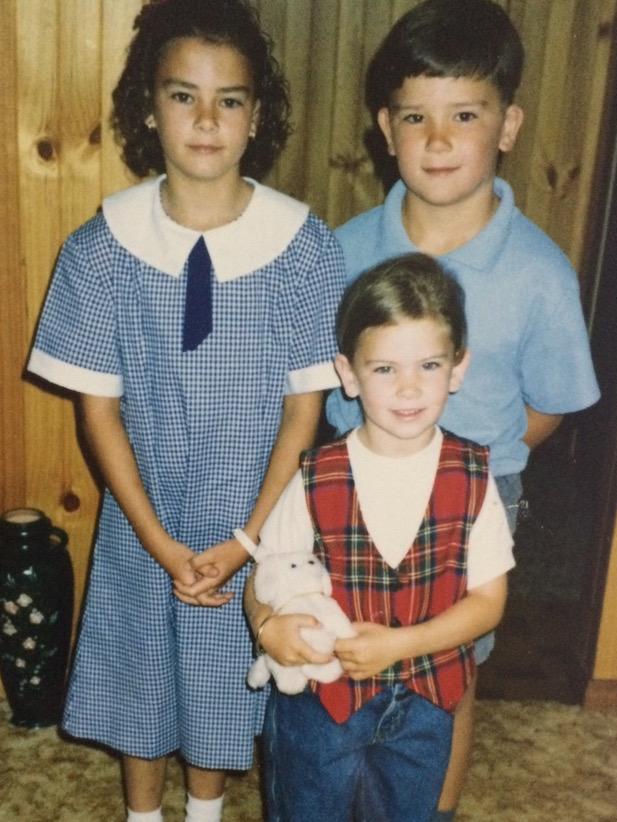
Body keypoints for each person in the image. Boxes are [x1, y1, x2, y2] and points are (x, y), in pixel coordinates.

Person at [27, 2, 345, 821]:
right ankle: (143, 814)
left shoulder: (303, 246)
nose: (206, 120)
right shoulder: (100, 248)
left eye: (229, 99)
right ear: (146, 106)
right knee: (141, 659)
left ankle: (204, 810)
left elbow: (304, 407)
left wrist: (245, 537)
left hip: (255, 513)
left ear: (258, 114)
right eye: (182, 96)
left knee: (217, 665)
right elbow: (98, 413)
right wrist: (161, 540)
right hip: (149, 516)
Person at [325, 1, 600, 818]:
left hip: (473, 500)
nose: (438, 139)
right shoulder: (341, 251)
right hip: (350, 490)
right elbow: (314, 382)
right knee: (350, 650)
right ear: (384, 128)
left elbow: (549, 409)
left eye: (464, 114)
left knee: (446, 670)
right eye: (415, 116)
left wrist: (470, 469)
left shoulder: (539, 274)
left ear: (507, 125)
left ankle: (431, 809)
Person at [244, 254, 515, 822]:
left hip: (426, 704)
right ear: (349, 374)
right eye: (385, 369)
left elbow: (488, 604)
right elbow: (265, 575)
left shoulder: (471, 475)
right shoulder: (317, 474)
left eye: (430, 365)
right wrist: (268, 629)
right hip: (322, 703)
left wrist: (400, 645)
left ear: (458, 369)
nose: (409, 387)